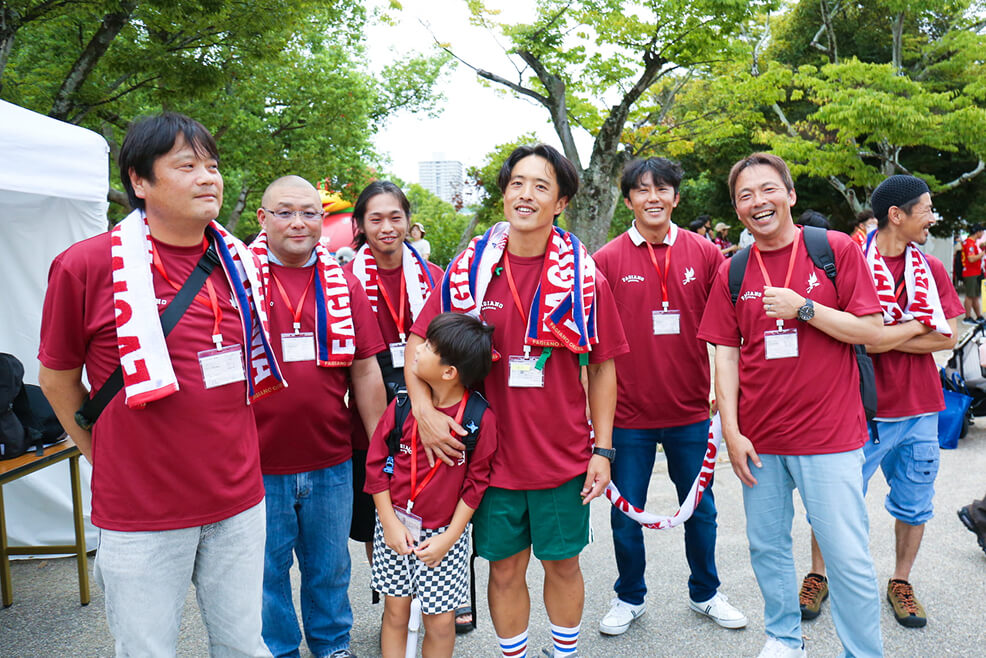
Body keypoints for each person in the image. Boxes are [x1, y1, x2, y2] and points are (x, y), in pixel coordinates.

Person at [38, 113, 282, 657]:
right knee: (147, 650)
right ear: (139, 181)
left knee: (244, 645)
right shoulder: (87, 265)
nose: (208, 178)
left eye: (213, 166)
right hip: (141, 511)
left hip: (238, 501)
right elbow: (56, 379)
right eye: (187, 165)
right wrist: (105, 454)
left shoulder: (238, 261)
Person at [406, 143, 629, 658]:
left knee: (562, 564)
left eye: (541, 186)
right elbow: (419, 344)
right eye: (517, 184)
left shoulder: (584, 276)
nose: (525, 194)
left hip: (562, 456)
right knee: (504, 568)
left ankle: (565, 652)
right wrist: (423, 412)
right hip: (486, 456)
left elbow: (602, 366)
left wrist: (604, 450)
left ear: (561, 203)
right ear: (505, 194)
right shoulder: (470, 268)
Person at [697, 152, 884, 658]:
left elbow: (872, 332)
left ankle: (862, 651)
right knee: (768, 550)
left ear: (790, 195)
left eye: (767, 189)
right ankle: (783, 638)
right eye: (745, 196)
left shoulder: (835, 249)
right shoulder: (733, 269)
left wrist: (804, 308)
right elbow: (727, 355)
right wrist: (731, 432)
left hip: (829, 437)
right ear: (737, 210)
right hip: (760, 442)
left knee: (845, 557)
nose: (758, 202)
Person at [797, 175, 961, 630]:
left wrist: (881, 336)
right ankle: (818, 574)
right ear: (897, 215)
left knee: (915, 504)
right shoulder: (852, 264)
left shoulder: (932, 269)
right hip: (859, 408)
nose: (932, 218)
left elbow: (948, 334)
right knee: (835, 499)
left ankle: (901, 581)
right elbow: (855, 339)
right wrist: (913, 328)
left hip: (921, 409)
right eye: (926, 209)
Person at [593, 158, 747, 636]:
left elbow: (727, 331)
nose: (653, 197)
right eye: (642, 190)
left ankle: (705, 592)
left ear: (676, 198)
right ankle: (629, 597)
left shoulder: (705, 254)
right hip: (627, 415)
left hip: (690, 411)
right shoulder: (607, 259)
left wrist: (722, 394)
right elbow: (593, 345)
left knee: (701, 510)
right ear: (629, 200)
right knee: (625, 516)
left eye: (662, 189)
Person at [250, 176, 389, 658]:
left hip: (330, 459)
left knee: (329, 568)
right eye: (285, 212)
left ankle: (332, 646)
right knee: (266, 572)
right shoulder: (236, 281)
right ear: (262, 219)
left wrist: (380, 448)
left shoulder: (341, 282)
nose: (299, 222)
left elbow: (366, 371)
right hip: (257, 463)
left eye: (310, 212)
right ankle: (281, 649)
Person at [343, 181, 451, 616]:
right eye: (376, 219)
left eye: (395, 217)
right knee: (377, 508)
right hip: (365, 409)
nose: (387, 227)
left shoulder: (436, 277)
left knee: (434, 501)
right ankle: (394, 595)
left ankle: (443, 599)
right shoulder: (340, 281)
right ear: (360, 225)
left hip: (429, 405)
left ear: (408, 221)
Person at [364, 312, 498, 658]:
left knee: (440, 623)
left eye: (427, 346)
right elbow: (377, 466)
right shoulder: (403, 406)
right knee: (395, 613)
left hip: (444, 538)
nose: (417, 351)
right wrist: (390, 524)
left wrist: (449, 538)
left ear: (449, 372)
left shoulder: (479, 419)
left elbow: (476, 484)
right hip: (395, 530)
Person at [960, 224, 984, 324]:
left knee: (974, 296)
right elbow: (971, 258)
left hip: (974, 272)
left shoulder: (971, 242)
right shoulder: (970, 243)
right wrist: (983, 253)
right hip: (971, 273)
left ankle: (979, 316)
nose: (982, 234)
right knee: (970, 296)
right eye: (982, 232)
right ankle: (967, 317)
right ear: (977, 232)